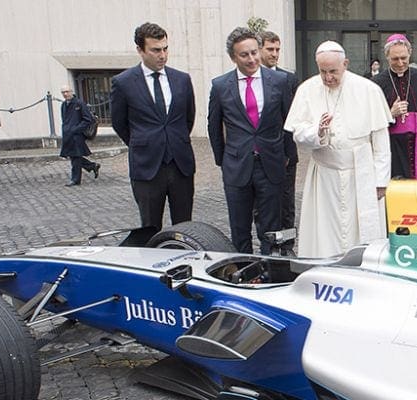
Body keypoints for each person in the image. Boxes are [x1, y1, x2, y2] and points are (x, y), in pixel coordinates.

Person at [285, 41, 393, 258]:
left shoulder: (368, 89)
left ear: (345, 64)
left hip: (361, 174)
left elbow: (381, 142)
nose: (328, 78)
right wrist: (318, 132)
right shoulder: (307, 89)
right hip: (324, 175)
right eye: (322, 71)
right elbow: (297, 133)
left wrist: (381, 181)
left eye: (333, 71)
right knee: (325, 232)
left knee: (362, 232)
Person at [208, 28, 294, 254]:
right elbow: (213, 127)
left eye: (254, 52)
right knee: (239, 229)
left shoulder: (279, 81)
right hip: (236, 166)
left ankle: (270, 268)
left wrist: (287, 155)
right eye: (244, 55)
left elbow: (288, 121)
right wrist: (223, 160)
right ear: (233, 57)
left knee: (271, 229)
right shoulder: (220, 86)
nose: (252, 59)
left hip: (270, 165)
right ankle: (244, 268)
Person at [111, 22, 198, 234]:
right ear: (140, 50)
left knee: (184, 228)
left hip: (180, 164)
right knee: (149, 228)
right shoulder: (123, 82)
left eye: (165, 49)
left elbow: (188, 118)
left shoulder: (182, 80)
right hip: (146, 166)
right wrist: (144, 142)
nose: (163, 55)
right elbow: (120, 123)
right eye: (156, 50)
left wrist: (173, 141)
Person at [372, 34, 417, 183]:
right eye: (395, 59)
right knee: (395, 190)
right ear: (387, 57)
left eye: (403, 58)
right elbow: (369, 122)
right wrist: (390, 114)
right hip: (391, 147)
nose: (400, 63)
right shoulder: (376, 84)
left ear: (410, 54)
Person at [259, 30, 299, 257]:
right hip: (260, 153)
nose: (274, 54)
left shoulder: (288, 79)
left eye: (277, 49)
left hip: (286, 153)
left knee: (286, 203)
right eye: (270, 49)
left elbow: (292, 118)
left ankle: (287, 246)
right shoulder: (251, 80)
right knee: (263, 205)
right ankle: (267, 245)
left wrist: (287, 153)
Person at [59, 85, 99, 186]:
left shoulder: (79, 103)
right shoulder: (63, 105)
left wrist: (76, 129)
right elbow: (65, 120)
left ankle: (75, 179)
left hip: (76, 135)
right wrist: (66, 130)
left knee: (75, 157)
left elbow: (88, 119)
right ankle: (92, 166)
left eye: (67, 91)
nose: (65, 94)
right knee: (74, 156)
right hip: (68, 135)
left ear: (72, 92)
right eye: (63, 92)